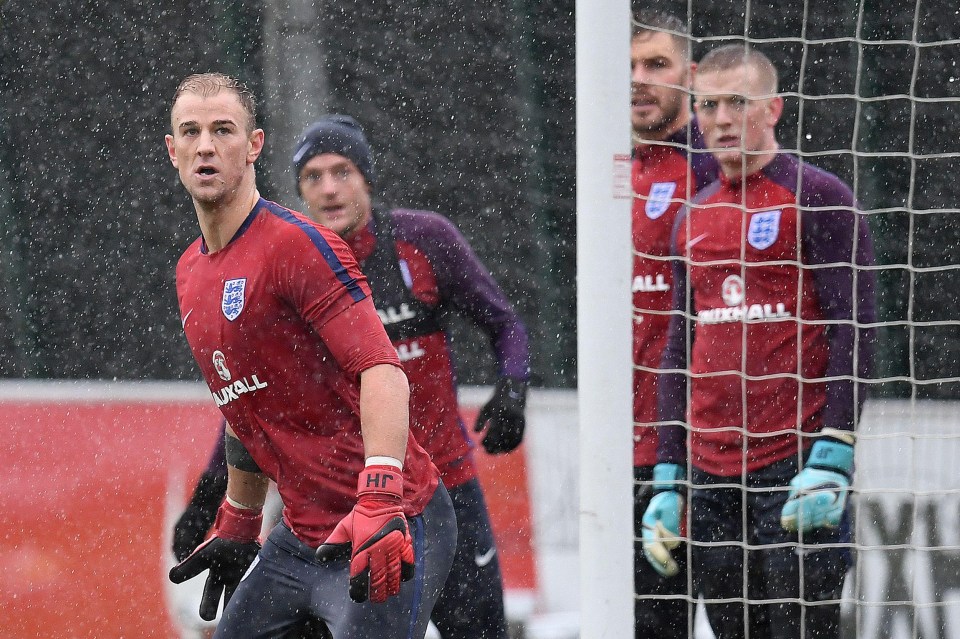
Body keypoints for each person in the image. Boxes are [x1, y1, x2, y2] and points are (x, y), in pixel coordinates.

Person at [174, 112, 531, 639]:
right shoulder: (296, 260)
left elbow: (504, 323)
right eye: (312, 178)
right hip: (331, 507)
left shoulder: (423, 241)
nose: (329, 188)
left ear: (367, 177)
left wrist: (514, 387)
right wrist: (217, 495)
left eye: (342, 171)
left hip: (432, 489)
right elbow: (255, 397)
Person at [641, 46, 877, 639]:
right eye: (708, 105)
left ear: (773, 109)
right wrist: (669, 474)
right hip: (708, 473)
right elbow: (679, 348)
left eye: (737, 103)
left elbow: (856, 331)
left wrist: (835, 452)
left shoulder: (820, 198)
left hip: (795, 466)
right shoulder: (691, 215)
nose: (720, 119)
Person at [630, 10, 717, 639]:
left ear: (691, 75)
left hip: (702, 445)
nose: (638, 80)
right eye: (628, 68)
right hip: (625, 446)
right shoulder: (614, 169)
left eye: (656, 65)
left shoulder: (713, 170)